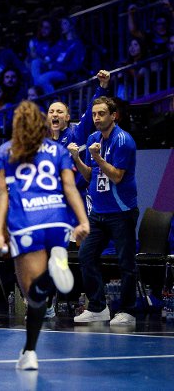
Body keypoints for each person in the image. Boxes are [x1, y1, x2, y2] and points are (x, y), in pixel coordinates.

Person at [0, 101, 90, 370]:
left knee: (33, 295)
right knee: (42, 289)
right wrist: (82, 220)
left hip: (26, 224)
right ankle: (55, 265)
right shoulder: (57, 150)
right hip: (57, 222)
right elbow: (70, 188)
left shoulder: (3, 152)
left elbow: (2, 195)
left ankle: (30, 353)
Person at [69, 96, 139, 327]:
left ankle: (128, 311)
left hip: (121, 211)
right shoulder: (92, 138)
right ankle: (98, 307)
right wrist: (78, 158)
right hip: (98, 212)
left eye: (101, 114)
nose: (97, 118)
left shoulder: (123, 141)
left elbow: (117, 176)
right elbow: (89, 176)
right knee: (86, 256)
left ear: (113, 115)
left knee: (125, 262)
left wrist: (97, 157)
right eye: (94, 114)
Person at [47, 70, 110, 207]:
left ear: (68, 118)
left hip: (77, 198)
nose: (55, 115)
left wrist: (102, 87)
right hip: (54, 201)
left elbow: (89, 112)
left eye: (59, 112)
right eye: (51, 112)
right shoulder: (42, 142)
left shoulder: (77, 133)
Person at [31, 16, 85, 94]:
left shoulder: (77, 44)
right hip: (53, 69)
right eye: (61, 24)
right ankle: (35, 91)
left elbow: (75, 66)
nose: (62, 26)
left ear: (72, 26)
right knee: (35, 62)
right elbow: (51, 57)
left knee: (43, 79)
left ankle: (53, 101)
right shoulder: (61, 43)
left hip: (64, 72)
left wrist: (56, 66)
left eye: (65, 23)